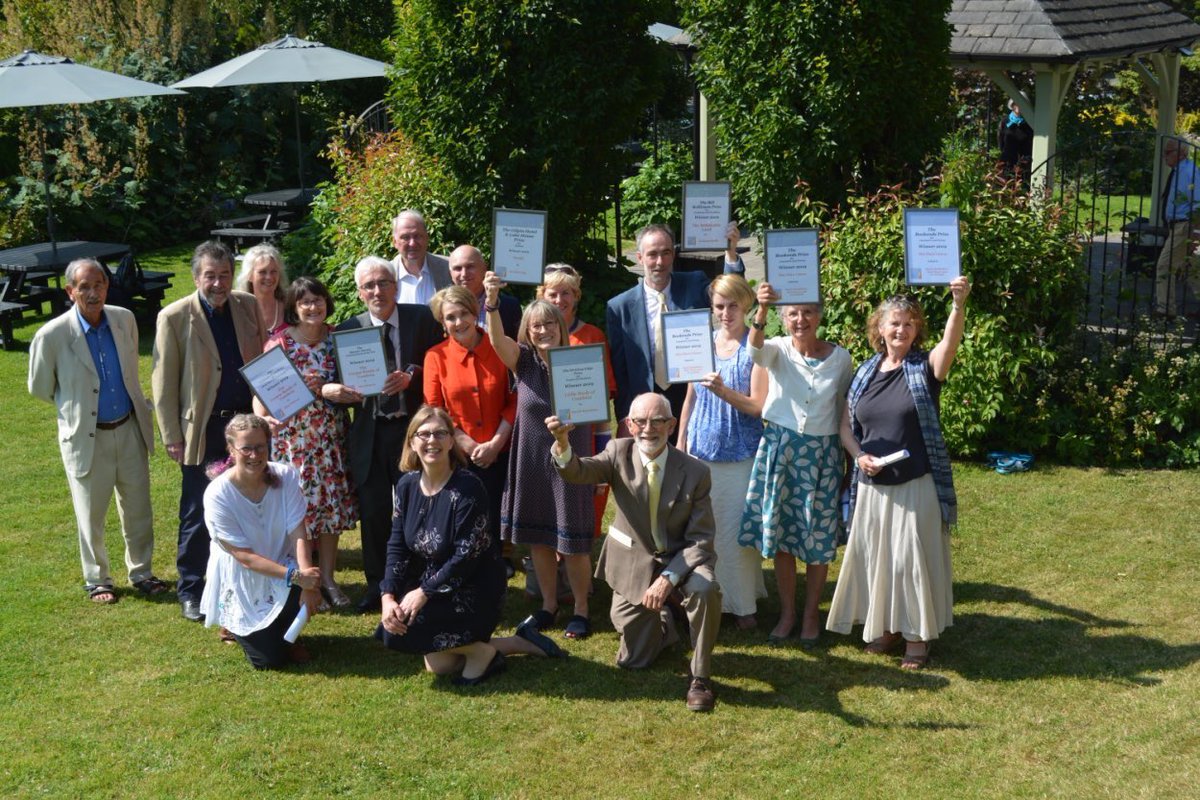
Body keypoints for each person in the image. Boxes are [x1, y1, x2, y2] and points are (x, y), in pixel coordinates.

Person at [826, 277, 972, 670]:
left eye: (909, 324)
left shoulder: (925, 368)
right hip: (873, 486)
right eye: (894, 323)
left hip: (914, 486)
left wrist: (957, 306)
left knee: (910, 562)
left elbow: (949, 345)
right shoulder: (865, 372)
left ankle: (916, 638)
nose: (901, 330)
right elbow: (845, 426)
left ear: (916, 330)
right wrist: (859, 456)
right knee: (879, 561)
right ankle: (887, 628)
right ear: (880, 328)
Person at [547, 392, 722, 712]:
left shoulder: (696, 472)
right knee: (633, 660)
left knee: (705, 588)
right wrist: (562, 443)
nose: (648, 429)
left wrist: (668, 578)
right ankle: (668, 619)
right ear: (628, 425)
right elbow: (578, 471)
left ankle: (700, 677)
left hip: (682, 558)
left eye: (657, 421)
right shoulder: (617, 452)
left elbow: (701, 540)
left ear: (671, 425)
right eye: (640, 421)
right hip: (635, 558)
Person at [376, 406, 565, 685]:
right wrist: (388, 596)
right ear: (412, 443)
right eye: (423, 434)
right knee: (436, 662)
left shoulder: (468, 487)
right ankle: (513, 643)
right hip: (433, 583)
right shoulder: (406, 485)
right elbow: (397, 546)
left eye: (440, 433)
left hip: (475, 587)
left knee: (403, 630)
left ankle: (483, 654)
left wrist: (423, 593)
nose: (432, 441)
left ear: (451, 441)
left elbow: (465, 556)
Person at [28, 258, 166, 605]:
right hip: (87, 437)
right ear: (70, 291)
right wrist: (75, 406)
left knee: (138, 508)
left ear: (107, 286)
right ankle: (98, 579)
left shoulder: (124, 319)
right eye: (84, 287)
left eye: (99, 284)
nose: (93, 293)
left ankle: (142, 572)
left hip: (129, 428)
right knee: (90, 514)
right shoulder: (52, 335)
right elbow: (40, 387)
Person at [153, 240, 266, 622]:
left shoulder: (248, 305)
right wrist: (172, 434)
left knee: (250, 503)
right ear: (195, 277)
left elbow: (263, 362)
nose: (218, 283)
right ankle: (190, 588)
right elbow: (163, 383)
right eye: (210, 276)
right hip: (203, 428)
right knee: (197, 511)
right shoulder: (173, 317)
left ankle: (250, 579)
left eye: (224, 275)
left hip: (246, 426)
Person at [738, 284, 853, 645]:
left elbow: (844, 411)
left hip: (823, 456)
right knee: (783, 536)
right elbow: (754, 350)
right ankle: (787, 613)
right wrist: (761, 309)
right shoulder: (777, 349)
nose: (800, 319)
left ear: (819, 316)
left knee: (818, 538)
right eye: (792, 313)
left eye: (807, 312)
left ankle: (810, 615)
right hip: (782, 451)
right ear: (783, 318)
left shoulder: (841, 358)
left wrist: (849, 461)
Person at [484, 271, 596, 639]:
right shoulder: (523, 362)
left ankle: (581, 609)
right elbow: (495, 339)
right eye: (536, 326)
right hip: (532, 458)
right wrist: (492, 303)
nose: (543, 330)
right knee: (539, 539)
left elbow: (596, 412)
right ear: (528, 332)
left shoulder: (579, 360)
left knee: (574, 541)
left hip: (571, 460)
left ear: (560, 326)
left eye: (549, 324)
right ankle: (548, 605)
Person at [329, 256, 443, 612]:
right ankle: (378, 585)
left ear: (395, 285)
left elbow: (438, 360)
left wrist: (412, 375)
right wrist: (336, 389)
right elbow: (333, 377)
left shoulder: (422, 318)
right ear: (360, 292)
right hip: (371, 431)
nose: (377, 291)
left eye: (383, 283)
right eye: (369, 286)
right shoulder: (349, 329)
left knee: (420, 505)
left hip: (413, 430)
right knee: (375, 510)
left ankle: (421, 580)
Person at [253, 277, 358, 610]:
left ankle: (328, 579)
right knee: (301, 512)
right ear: (294, 308)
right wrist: (262, 419)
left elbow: (359, 380)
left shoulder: (338, 338)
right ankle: (305, 580)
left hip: (331, 440)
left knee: (330, 510)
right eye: (305, 302)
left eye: (318, 300)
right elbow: (261, 391)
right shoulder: (280, 343)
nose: (313, 307)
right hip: (294, 441)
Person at [676, 274, 768, 631]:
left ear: (746, 306)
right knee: (702, 532)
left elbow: (758, 406)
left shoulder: (755, 347)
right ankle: (704, 598)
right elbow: (690, 398)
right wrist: (681, 441)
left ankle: (742, 605)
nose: (726, 313)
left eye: (733, 306)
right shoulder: (701, 342)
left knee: (735, 534)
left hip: (739, 453)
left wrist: (724, 390)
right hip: (700, 450)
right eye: (719, 306)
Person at [199, 415, 322, 670]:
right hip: (245, 574)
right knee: (268, 661)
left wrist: (308, 579)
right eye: (246, 448)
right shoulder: (217, 494)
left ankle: (285, 634)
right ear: (231, 449)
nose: (254, 455)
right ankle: (236, 627)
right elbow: (244, 557)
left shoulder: (286, 476)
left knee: (278, 643)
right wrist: (297, 577)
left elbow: (298, 533)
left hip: (284, 565)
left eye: (260, 447)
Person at [606, 222, 745, 435]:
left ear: (673, 254)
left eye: (666, 253)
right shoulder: (619, 307)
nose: (660, 262)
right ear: (640, 257)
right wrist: (625, 418)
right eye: (652, 254)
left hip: (693, 396)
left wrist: (731, 253)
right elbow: (621, 372)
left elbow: (731, 294)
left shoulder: (694, 284)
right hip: (647, 408)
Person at [423, 285, 516, 576]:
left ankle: (495, 567)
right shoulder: (435, 357)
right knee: (461, 517)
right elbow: (435, 408)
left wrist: (495, 443)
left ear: (475, 313)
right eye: (450, 317)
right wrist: (468, 444)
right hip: (457, 454)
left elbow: (515, 399)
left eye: (463, 313)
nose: (458, 322)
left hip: (501, 450)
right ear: (442, 322)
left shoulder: (500, 348)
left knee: (495, 513)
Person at [537, 263, 616, 536]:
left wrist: (603, 454)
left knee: (583, 510)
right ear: (542, 296)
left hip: (584, 437)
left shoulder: (592, 336)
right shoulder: (532, 336)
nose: (560, 300)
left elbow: (603, 404)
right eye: (553, 294)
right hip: (542, 435)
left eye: (566, 293)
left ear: (576, 296)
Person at [1155, 137, 1200, 318]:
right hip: (1178, 226)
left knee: (1165, 266)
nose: (1164, 156)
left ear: (1181, 153)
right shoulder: (1179, 171)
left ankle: (1165, 310)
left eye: (1168, 152)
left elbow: (1198, 204)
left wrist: (1196, 233)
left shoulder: (1189, 172)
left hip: (1184, 226)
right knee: (1190, 268)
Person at [450, 244, 520, 338]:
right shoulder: (442, 308)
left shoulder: (510, 306)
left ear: (484, 268)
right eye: (458, 268)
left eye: (470, 267)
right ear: (450, 273)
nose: (464, 274)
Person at [391, 210, 451, 305]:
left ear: (427, 238)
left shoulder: (449, 267)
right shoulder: (385, 275)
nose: (412, 243)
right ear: (395, 242)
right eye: (405, 237)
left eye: (417, 236)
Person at [235, 243, 290, 336]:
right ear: (249, 275)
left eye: (274, 271)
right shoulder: (239, 309)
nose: (269, 277)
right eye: (262, 272)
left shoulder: (290, 306)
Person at [998, 98, 1034, 176]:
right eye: (1016, 103)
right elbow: (1001, 142)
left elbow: (1031, 143)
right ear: (1012, 106)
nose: (1018, 106)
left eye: (1021, 104)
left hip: (1024, 163)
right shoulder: (1004, 121)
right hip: (1007, 161)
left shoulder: (1029, 123)